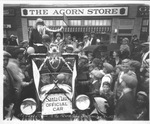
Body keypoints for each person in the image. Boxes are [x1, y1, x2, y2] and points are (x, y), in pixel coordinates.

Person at [3, 51, 16, 120]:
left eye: (7, 60)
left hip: (7, 99)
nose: (5, 62)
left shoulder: (8, 70)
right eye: (3, 60)